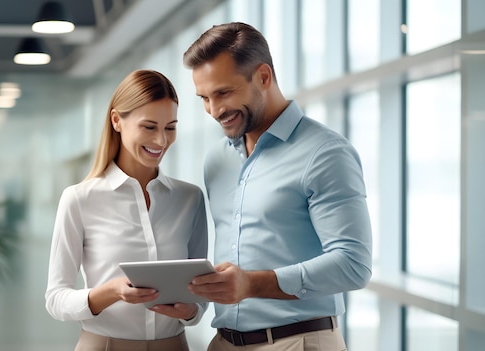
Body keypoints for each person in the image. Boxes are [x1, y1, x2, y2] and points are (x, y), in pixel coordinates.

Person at [182, 22, 373, 350]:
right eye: (204, 98)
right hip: (223, 342)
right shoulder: (217, 160)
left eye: (223, 93)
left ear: (263, 77)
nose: (214, 110)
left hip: (297, 341)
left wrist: (253, 284)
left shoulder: (325, 153)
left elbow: (354, 264)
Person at [45, 69, 209, 351]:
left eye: (170, 127)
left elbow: (200, 292)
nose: (161, 140)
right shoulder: (79, 199)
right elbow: (55, 299)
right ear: (117, 120)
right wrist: (109, 293)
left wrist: (191, 312)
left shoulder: (189, 199)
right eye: (149, 127)